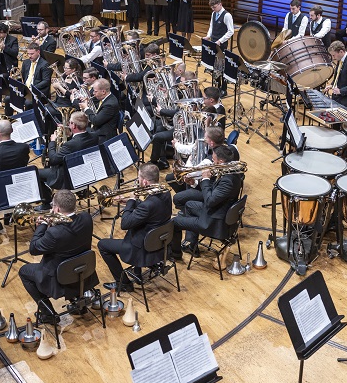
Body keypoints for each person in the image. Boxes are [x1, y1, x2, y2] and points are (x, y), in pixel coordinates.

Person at [18, 189, 97, 359]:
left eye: (53, 206)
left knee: (24, 272)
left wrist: (42, 226)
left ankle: (48, 315)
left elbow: (34, 248)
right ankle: (78, 301)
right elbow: (68, 235)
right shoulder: (86, 218)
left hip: (58, 278)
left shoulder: (54, 233)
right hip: (83, 270)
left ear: (58, 210)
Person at [98, 164, 172, 293]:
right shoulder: (165, 192)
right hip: (160, 243)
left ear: (144, 181)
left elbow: (125, 224)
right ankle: (136, 272)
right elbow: (151, 211)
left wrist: (132, 200)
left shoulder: (148, 205)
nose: (137, 181)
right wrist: (129, 202)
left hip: (141, 248)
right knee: (139, 226)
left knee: (102, 245)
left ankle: (124, 283)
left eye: (138, 178)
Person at [172, 145, 244, 263]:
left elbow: (210, 201)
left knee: (174, 222)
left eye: (214, 159)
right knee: (189, 205)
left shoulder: (228, 181)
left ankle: (175, 254)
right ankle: (191, 244)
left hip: (214, 222)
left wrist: (205, 179)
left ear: (221, 161)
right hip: (218, 211)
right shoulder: (230, 170)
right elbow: (214, 193)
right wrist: (195, 183)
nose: (212, 162)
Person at [38, 111, 100, 195]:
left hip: (69, 177)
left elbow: (53, 160)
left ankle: (46, 201)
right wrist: (70, 134)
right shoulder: (94, 136)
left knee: (35, 173)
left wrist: (52, 142)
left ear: (74, 125)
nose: (67, 124)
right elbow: (79, 141)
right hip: (88, 173)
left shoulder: (70, 145)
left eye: (69, 123)